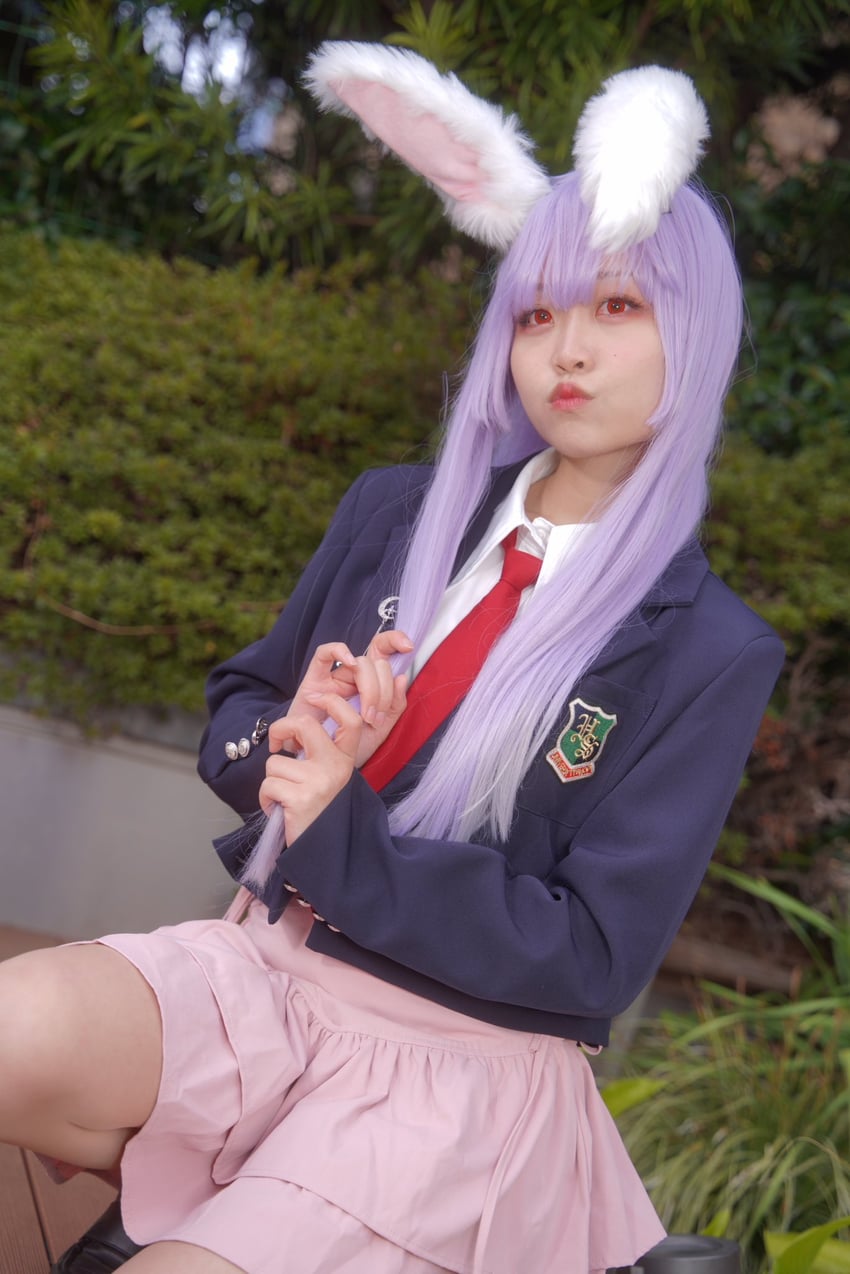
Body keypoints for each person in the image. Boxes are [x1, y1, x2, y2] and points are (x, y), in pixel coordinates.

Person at [1, 44, 784, 1274]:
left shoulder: (709, 646)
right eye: (536, 312)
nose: (566, 351)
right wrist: (295, 747)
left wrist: (340, 827)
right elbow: (240, 707)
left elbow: (593, 949)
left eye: (616, 308)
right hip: (260, 970)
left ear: (694, 331)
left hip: (455, 1067)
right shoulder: (395, 511)